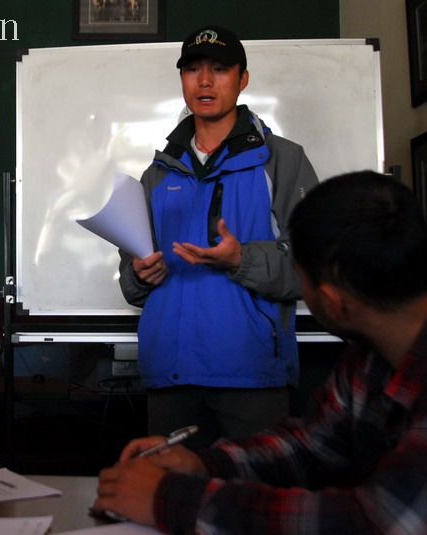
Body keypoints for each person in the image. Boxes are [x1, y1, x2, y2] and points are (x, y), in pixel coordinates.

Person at [96, 171, 427, 534]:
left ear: (332, 302)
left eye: (300, 277)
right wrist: (205, 464)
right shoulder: (373, 349)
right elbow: (314, 444)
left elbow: (377, 523)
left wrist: (170, 500)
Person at [118, 25, 319, 447]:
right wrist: (140, 273)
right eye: (192, 70)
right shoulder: (156, 173)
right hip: (170, 374)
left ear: (243, 79)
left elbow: (311, 269)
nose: (205, 81)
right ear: (182, 80)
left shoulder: (283, 160)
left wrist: (239, 259)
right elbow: (132, 285)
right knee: (170, 502)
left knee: (256, 504)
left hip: (252, 375)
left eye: (220, 69)